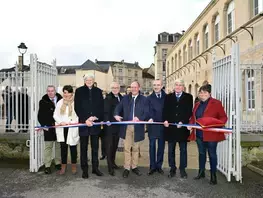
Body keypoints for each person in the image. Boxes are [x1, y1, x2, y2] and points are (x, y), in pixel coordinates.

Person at [188, 84, 227, 185]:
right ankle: (201, 172)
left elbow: (223, 117)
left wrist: (217, 126)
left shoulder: (216, 103)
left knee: (212, 154)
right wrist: (191, 125)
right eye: (201, 92)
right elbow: (193, 118)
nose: (202, 94)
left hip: (211, 135)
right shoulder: (197, 105)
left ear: (209, 93)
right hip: (199, 134)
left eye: (205, 92)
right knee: (201, 154)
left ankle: (213, 176)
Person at [114, 81, 149, 178]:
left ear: (139, 88)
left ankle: (134, 167)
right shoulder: (125, 98)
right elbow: (118, 107)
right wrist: (116, 114)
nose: (133, 89)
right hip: (127, 126)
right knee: (126, 148)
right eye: (132, 87)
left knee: (136, 148)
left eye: (135, 87)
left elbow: (146, 112)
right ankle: (126, 167)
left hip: (138, 127)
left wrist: (140, 118)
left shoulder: (144, 99)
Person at [74, 73, 104, 179]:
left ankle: (95, 168)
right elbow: (77, 107)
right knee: (83, 148)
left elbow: (101, 107)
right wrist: (85, 119)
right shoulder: (79, 91)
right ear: (84, 80)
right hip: (84, 124)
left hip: (95, 124)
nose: (89, 81)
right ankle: (84, 170)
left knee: (95, 148)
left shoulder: (98, 91)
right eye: (87, 79)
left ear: (93, 80)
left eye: (91, 79)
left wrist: (96, 117)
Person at [163, 79, 193, 178]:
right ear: (174, 86)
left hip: (182, 128)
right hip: (171, 128)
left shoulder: (189, 97)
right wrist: (165, 120)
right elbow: (165, 110)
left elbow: (189, 111)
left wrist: (183, 121)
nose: (178, 86)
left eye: (180, 85)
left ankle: (182, 169)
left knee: (183, 150)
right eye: (176, 85)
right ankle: (172, 168)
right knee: (171, 149)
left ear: (183, 87)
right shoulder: (168, 97)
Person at [53, 85, 79, 175]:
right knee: (63, 148)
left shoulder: (75, 102)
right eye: (64, 92)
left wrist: (73, 122)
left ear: (72, 93)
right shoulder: (60, 102)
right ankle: (63, 167)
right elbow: (55, 115)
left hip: (72, 127)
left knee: (73, 148)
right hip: (62, 127)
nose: (66, 94)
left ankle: (73, 166)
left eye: (68, 92)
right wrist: (61, 122)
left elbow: (79, 115)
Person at [37, 85, 62, 174]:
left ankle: (58, 163)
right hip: (48, 128)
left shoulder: (61, 100)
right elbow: (40, 115)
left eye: (52, 91)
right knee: (48, 147)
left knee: (58, 146)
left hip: (59, 127)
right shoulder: (43, 101)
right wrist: (44, 125)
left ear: (55, 91)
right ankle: (47, 165)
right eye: (48, 91)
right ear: (47, 92)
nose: (50, 92)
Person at [147, 79, 166, 175]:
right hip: (152, 126)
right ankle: (152, 166)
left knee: (161, 147)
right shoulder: (149, 98)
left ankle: (159, 166)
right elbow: (147, 111)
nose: (156, 87)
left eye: (158, 85)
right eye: (154, 85)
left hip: (163, 126)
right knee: (152, 146)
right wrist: (150, 118)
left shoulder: (167, 97)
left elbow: (167, 111)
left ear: (162, 86)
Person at [104, 82, 123, 176]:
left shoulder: (122, 97)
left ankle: (113, 162)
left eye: (117, 87)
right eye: (113, 87)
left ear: (119, 88)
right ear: (110, 88)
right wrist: (107, 120)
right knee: (109, 147)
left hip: (118, 126)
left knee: (115, 146)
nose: (115, 89)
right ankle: (110, 167)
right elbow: (106, 111)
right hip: (110, 126)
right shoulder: (108, 98)